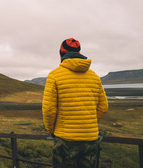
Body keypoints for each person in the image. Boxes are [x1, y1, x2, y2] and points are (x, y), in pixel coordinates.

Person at [42, 38, 108, 168]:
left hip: (65, 141)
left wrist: (52, 130)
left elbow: (49, 109)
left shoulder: (54, 75)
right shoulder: (94, 76)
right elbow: (103, 107)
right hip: (91, 140)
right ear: (79, 52)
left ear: (61, 54)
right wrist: (88, 123)